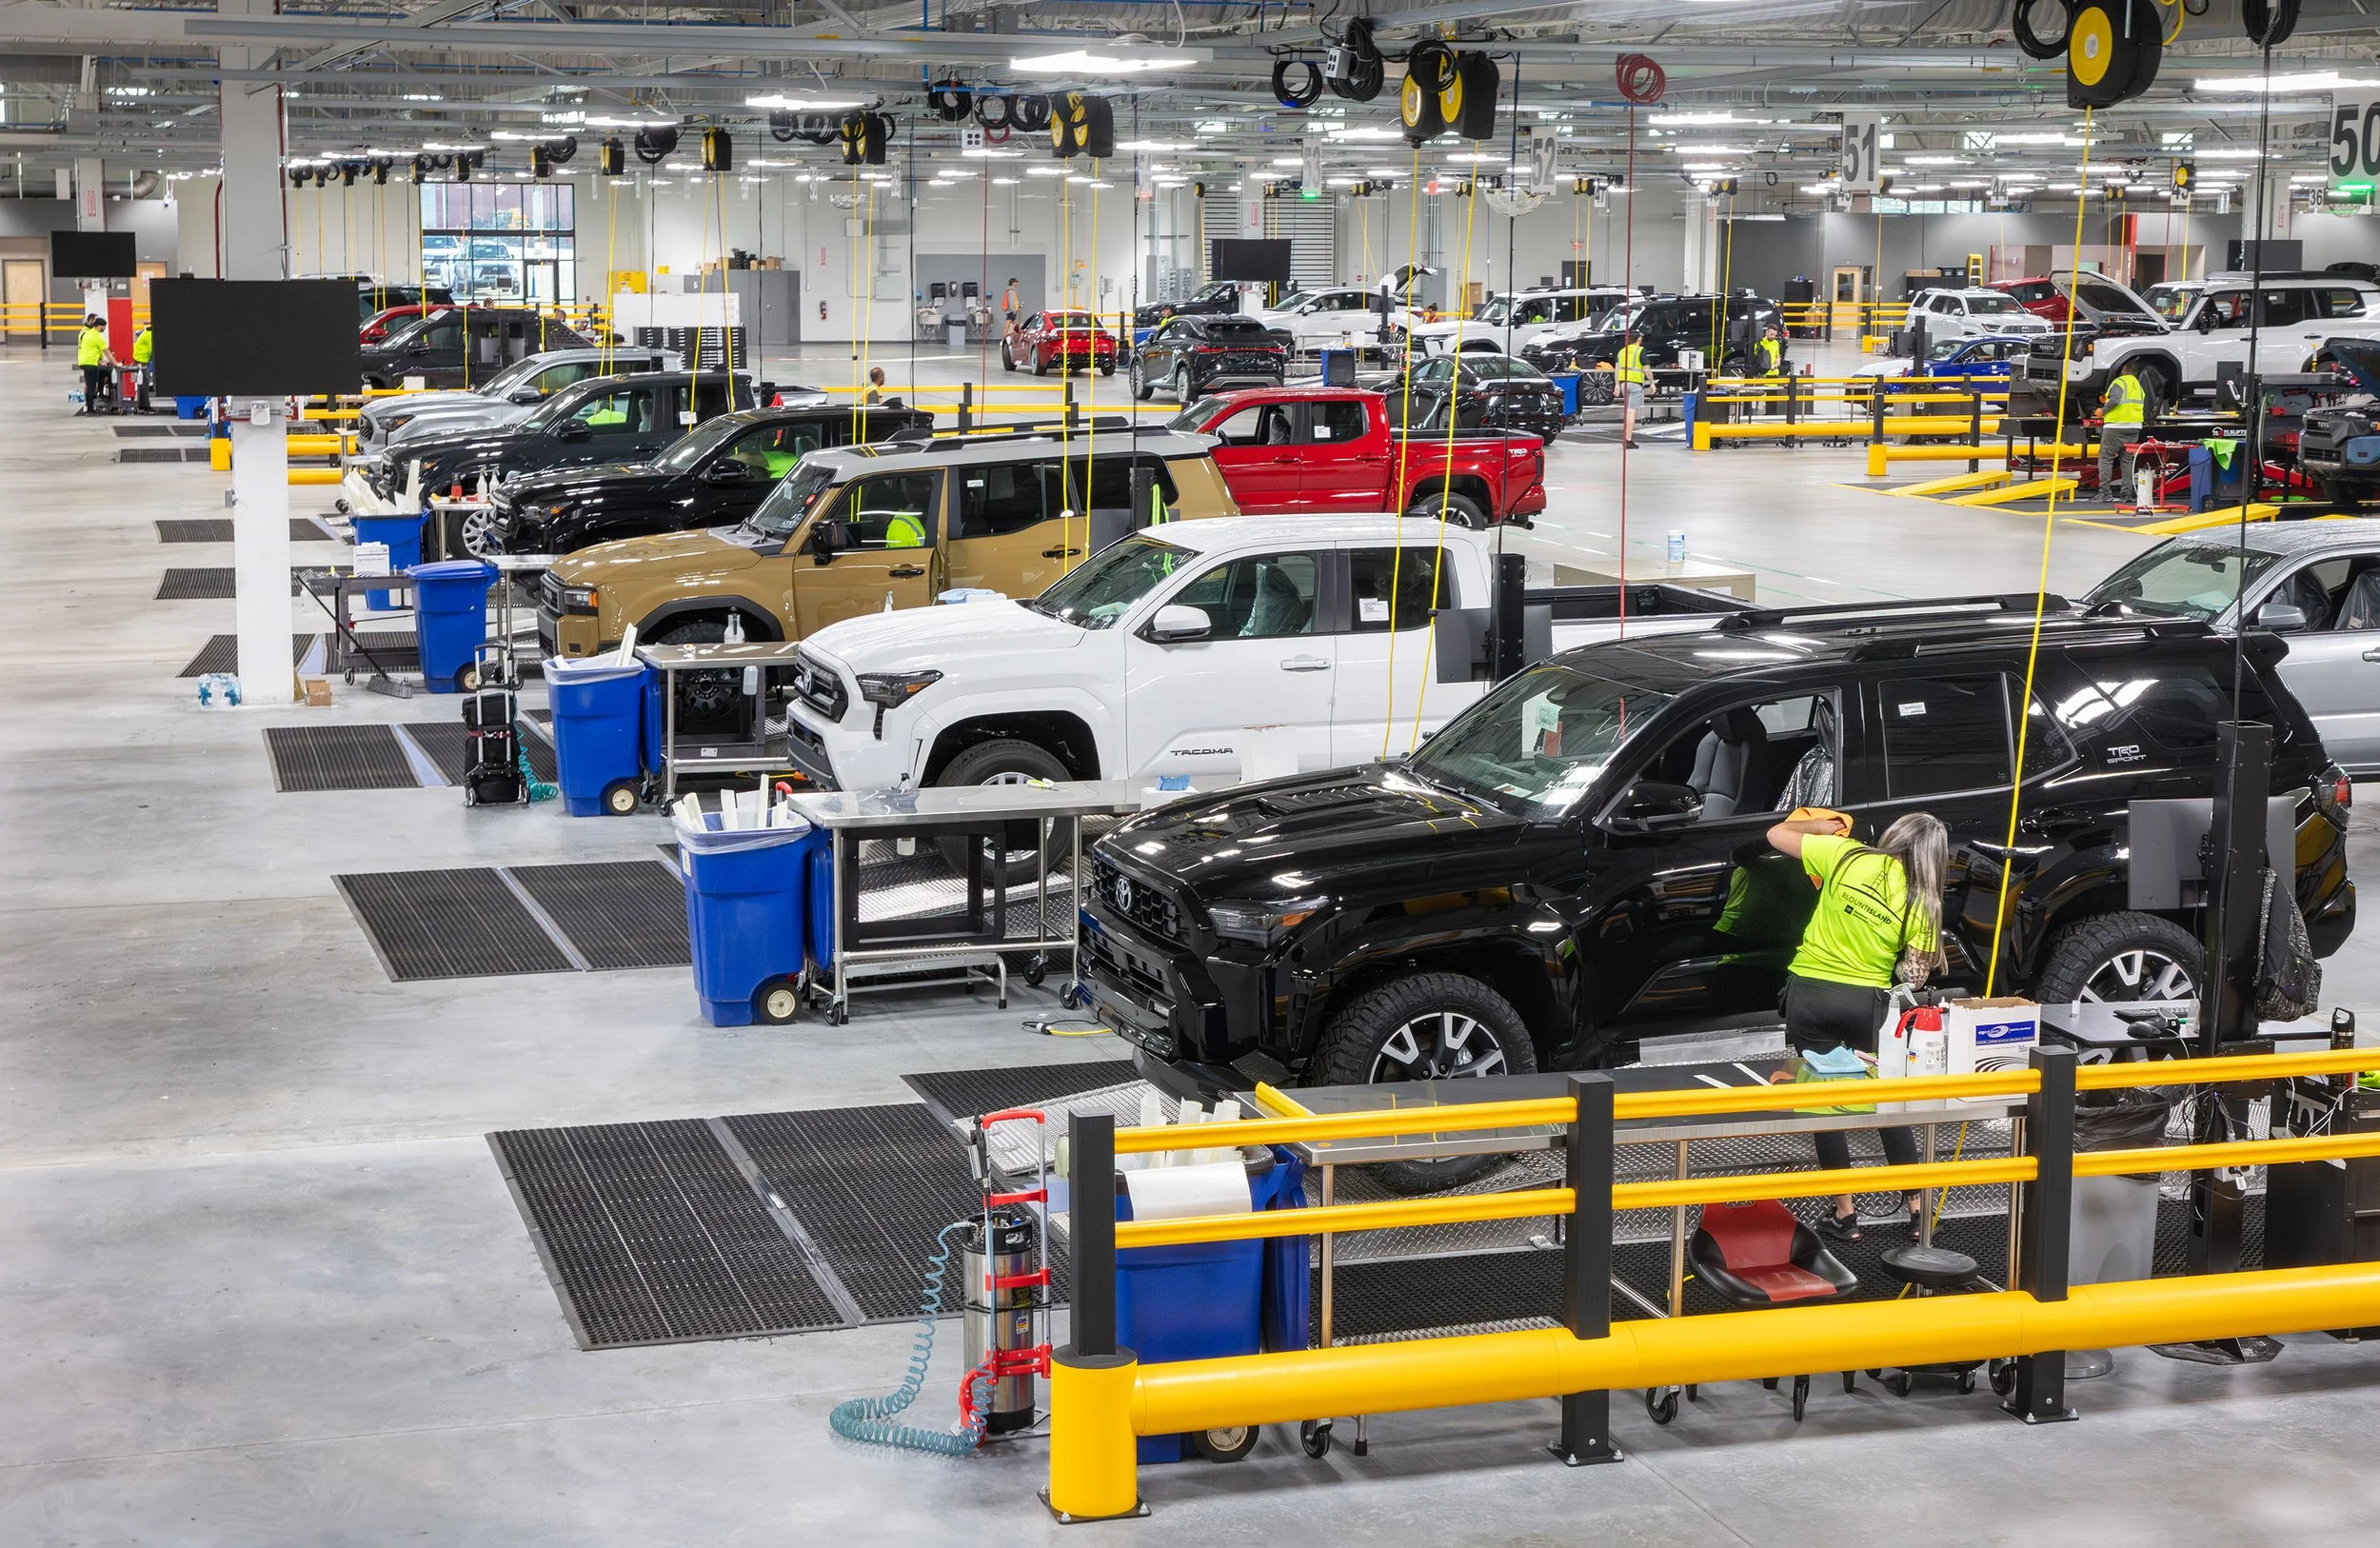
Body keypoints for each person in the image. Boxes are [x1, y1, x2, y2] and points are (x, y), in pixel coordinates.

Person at [1764, 809, 1951, 1243]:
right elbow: (1914, 975)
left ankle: (1845, 1214)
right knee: (1886, 1102)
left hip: (1809, 996)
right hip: (1865, 1004)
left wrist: (1819, 827)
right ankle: (1916, 1208)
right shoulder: (1922, 901)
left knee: (1825, 1104)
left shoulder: (1845, 855)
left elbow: (1775, 834)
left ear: (1895, 835)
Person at [2099, 365, 2148, 504]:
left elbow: (2115, 400)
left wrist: (2102, 411)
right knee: (2127, 460)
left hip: (2116, 426)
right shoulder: (2138, 386)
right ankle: (2126, 494)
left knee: (2106, 458)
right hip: (2134, 426)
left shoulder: (2119, 382)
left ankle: (2104, 493)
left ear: (2123, 370)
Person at [1615, 333, 1647, 449]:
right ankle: (1628, 439)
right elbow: (1646, 369)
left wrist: (1617, 385)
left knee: (1628, 410)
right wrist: (1652, 382)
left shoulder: (1622, 351)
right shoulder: (1640, 350)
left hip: (1624, 384)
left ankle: (1627, 438)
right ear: (1638, 338)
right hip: (1635, 384)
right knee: (1631, 411)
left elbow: (1617, 369)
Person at [74, 314, 110, 415]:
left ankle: (95, 400)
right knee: (90, 385)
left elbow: (94, 349)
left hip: (88, 361)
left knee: (95, 381)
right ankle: (89, 408)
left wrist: (100, 360)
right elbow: (89, 348)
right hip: (89, 362)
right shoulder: (87, 333)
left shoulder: (89, 332)